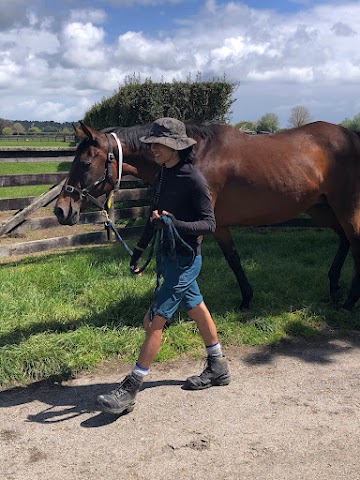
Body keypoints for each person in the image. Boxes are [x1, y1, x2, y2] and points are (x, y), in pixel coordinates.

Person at [96, 117, 230, 415]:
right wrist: (139, 250)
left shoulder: (193, 178)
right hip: (167, 256)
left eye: (158, 144)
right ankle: (218, 366)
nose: (152, 148)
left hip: (185, 260)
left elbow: (209, 224)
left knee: (154, 321)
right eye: (152, 143)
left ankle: (131, 388)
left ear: (175, 147)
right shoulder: (161, 177)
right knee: (196, 308)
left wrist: (175, 222)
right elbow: (153, 217)